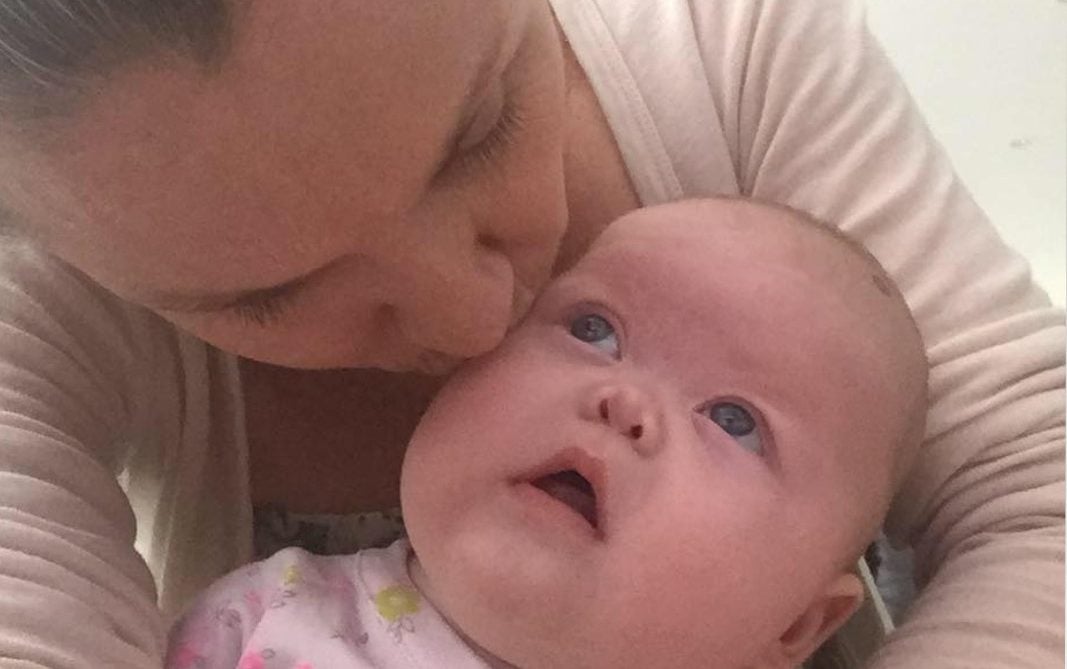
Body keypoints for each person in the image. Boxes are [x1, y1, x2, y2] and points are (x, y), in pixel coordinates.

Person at [0, 0, 1060, 667]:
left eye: (483, 126)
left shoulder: (729, 43)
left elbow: (1038, 492)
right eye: (269, 293)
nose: (475, 317)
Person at [165, 199, 929, 669]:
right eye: (593, 329)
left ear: (796, 625)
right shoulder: (259, 614)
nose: (623, 401)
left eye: (733, 421)